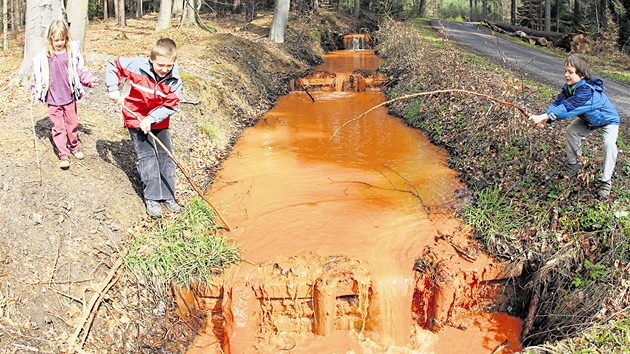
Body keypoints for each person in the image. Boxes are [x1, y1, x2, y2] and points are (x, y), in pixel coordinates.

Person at [105, 38, 183, 218]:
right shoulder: (135, 66)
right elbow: (113, 64)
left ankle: (169, 196)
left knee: (165, 157)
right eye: (160, 65)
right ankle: (153, 199)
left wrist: (152, 118)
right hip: (135, 117)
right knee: (148, 157)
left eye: (169, 66)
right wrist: (112, 88)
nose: (164, 69)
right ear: (152, 59)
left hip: (159, 120)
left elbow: (171, 106)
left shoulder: (174, 80)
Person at [529, 54, 620, 199]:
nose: (566, 75)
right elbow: (558, 103)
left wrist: (543, 117)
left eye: (570, 72)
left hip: (607, 120)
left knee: (609, 144)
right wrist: (545, 118)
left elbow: (568, 108)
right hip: (589, 118)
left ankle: (606, 181)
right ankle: (573, 165)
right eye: (565, 71)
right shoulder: (569, 88)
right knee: (571, 131)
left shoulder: (587, 92)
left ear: (582, 75)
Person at [30, 20, 97, 170]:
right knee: (58, 127)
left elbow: (80, 71)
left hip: (69, 96)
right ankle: (63, 153)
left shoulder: (71, 55)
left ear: (66, 38)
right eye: (56, 40)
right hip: (53, 98)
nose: (59, 43)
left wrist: (89, 80)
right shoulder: (45, 56)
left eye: (62, 39)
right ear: (51, 39)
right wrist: (34, 88)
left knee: (72, 123)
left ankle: (74, 146)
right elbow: (38, 74)